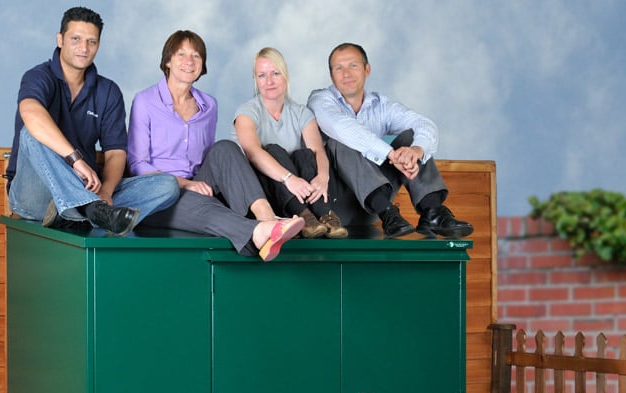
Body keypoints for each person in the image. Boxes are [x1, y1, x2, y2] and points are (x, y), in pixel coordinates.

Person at [128, 31, 303, 261]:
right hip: (159, 195)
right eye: (181, 54)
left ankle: (266, 217)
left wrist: (202, 184)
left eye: (196, 56)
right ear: (168, 61)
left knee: (225, 147)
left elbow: (211, 159)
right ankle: (258, 232)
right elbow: (137, 165)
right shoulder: (145, 101)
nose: (189, 61)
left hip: (199, 184)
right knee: (192, 200)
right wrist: (186, 184)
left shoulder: (209, 105)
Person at [6, 7, 180, 237]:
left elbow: (115, 152)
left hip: (88, 189)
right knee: (31, 132)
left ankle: (81, 212)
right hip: (35, 195)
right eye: (76, 39)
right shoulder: (38, 76)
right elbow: (31, 113)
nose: (84, 48)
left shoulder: (108, 91)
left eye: (92, 41)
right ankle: (89, 210)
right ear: (60, 40)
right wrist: (76, 160)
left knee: (167, 185)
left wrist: (106, 191)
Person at [307, 43, 473, 239]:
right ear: (331, 75)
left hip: (370, 208)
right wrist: (390, 154)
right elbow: (341, 127)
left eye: (353, 65)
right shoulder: (320, 100)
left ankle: (432, 212)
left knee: (410, 138)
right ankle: (387, 211)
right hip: (333, 206)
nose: (346, 74)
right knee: (341, 141)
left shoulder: (381, 105)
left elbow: (424, 124)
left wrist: (417, 150)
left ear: (367, 69)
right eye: (338, 68)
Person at [233, 47, 347, 239]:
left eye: (275, 73)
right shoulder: (247, 112)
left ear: (285, 76)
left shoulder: (301, 112)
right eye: (262, 75)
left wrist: (323, 177)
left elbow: (318, 150)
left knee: (304, 155)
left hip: (302, 191)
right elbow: (253, 152)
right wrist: (288, 178)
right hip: (266, 192)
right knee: (272, 150)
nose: (269, 81)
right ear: (256, 80)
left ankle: (324, 215)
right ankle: (303, 216)